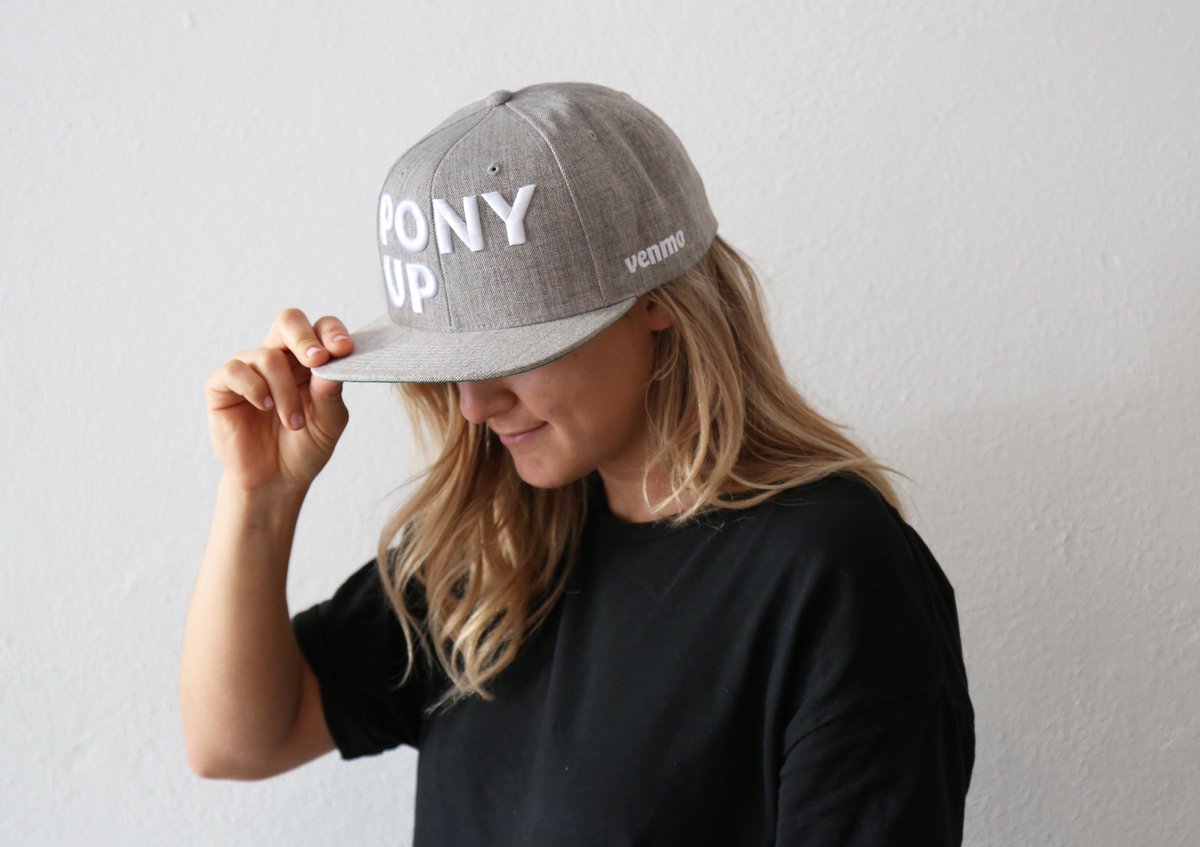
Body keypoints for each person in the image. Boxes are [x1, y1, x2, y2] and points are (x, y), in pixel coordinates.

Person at [180, 81, 975, 845]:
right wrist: (261, 494)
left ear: (658, 299)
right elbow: (238, 741)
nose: (474, 404)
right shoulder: (491, 547)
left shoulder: (831, 572)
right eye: (453, 361)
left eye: (514, 349)